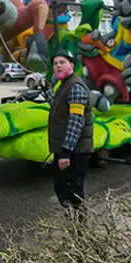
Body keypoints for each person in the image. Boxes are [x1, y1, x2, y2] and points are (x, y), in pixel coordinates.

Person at [46, 52, 93, 218]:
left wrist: (66, 153)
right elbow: (58, 107)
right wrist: (46, 89)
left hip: (74, 152)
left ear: (71, 65)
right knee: (63, 190)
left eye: (62, 62)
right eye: (55, 63)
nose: (58, 65)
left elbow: (75, 122)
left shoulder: (75, 87)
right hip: (67, 150)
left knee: (72, 193)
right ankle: (74, 226)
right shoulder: (65, 85)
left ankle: (79, 230)